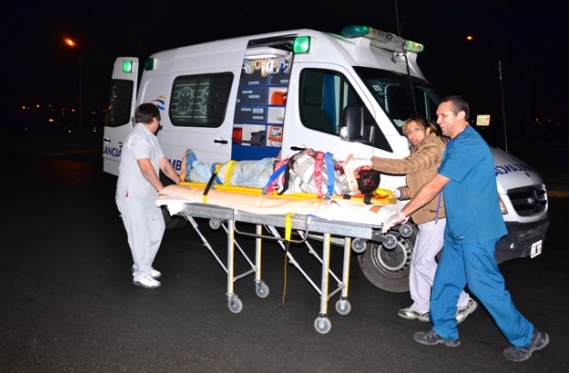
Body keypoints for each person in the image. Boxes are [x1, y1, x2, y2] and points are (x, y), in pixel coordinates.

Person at [382, 96, 549, 362]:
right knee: (446, 280)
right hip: (458, 227)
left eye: (443, 116)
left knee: (485, 287)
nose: (438, 121)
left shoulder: (467, 145)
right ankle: (444, 330)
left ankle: (528, 337)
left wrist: (403, 214)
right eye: (437, 116)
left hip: (476, 230)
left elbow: (436, 184)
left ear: (462, 116)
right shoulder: (455, 143)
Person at [371, 116, 477, 323]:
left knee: (422, 263)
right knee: (418, 262)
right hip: (427, 215)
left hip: (436, 214)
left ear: (429, 129)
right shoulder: (419, 150)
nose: (412, 136)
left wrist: (370, 162)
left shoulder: (434, 146)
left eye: (416, 130)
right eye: (408, 133)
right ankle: (420, 306)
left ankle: (462, 301)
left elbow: (409, 165)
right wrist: (397, 193)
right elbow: (417, 187)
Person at [115, 103, 180, 289]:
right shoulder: (137, 137)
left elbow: (164, 164)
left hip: (148, 194)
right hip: (132, 195)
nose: (159, 124)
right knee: (140, 235)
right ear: (154, 119)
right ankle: (141, 274)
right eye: (159, 120)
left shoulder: (150, 138)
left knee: (158, 228)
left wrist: (180, 183)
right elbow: (146, 167)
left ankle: (143, 264)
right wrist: (162, 189)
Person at [180, 148, 380, 196]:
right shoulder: (339, 182)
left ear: (358, 175)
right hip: (276, 171)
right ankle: (197, 172)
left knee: (231, 171)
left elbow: (303, 165)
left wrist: (306, 153)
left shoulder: (332, 182)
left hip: (270, 176)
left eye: (359, 168)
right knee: (231, 174)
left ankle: (193, 170)